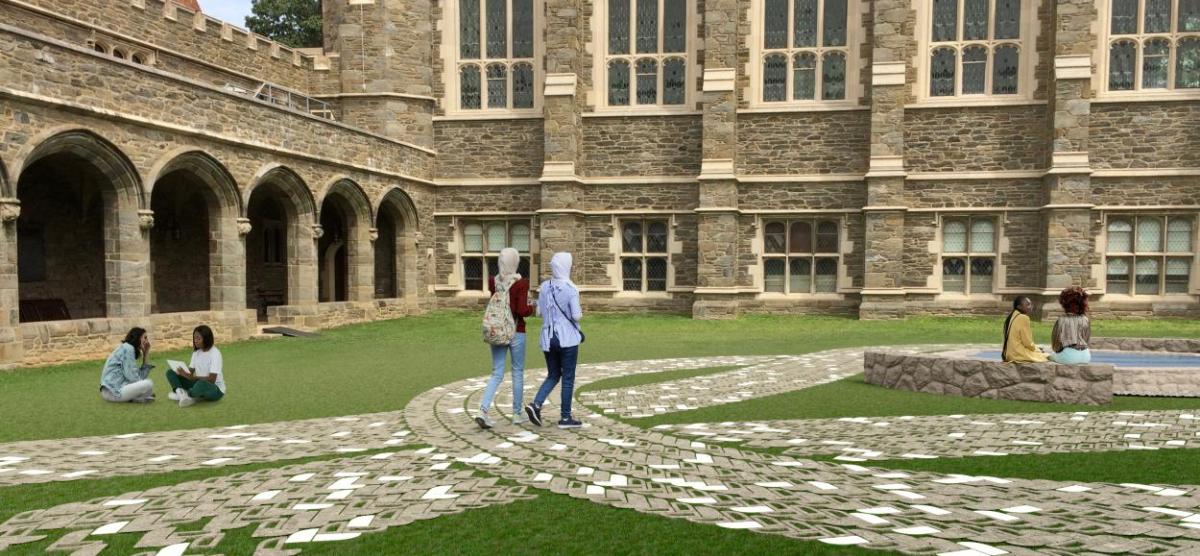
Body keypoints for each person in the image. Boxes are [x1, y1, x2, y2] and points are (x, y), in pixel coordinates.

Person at [475, 248, 534, 429]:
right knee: (517, 372)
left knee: (497, 373)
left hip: (497, 330)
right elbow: (520, 310)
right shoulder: (521, 283)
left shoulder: (493, 281)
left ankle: (483, 410)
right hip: (517, 331)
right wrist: (532, 308)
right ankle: (516, 413)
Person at [525, 252, 584, 429]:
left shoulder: (544, 287)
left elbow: (540, 313)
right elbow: (576, 315)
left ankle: (536, 404)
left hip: (548, 338)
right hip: (566, 338)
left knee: (553, 374)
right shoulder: (570, 288)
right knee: (567, 378)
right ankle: (565, 418)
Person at [166, 325, 226, 407]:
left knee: (201, 384)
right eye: (194, 338)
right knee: (171, 372)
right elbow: (190, 371)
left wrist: (191, 377)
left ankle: (190, 395)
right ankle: (181, 393)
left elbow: (212, 380)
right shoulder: (196, 353)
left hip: (215, 389)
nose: (195, 341)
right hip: (197, 383)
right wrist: (181, 372)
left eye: (198, 338)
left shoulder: (215, 354)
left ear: (206, 339)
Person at [100, 327, 156, 403]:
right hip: (113, 392)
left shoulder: (127, 348)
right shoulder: (128, 348)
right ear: (137, 337)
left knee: (147, 387)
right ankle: (139, 397)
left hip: (113, 391)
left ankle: (138, 397)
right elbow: (133, 378)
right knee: (148, 383)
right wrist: (143, 388)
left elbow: (137, 377)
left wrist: (145, 354)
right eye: (145, 338)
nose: (147, 341)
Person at [1049, 286, 1092, 365]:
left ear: (1064, 303)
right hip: (1086, 356)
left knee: (1050, 356)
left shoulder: (1061, 320)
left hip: (1069, 356)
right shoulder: (1085, 319)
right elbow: (1087, 340)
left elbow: (1056, 344)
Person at [1002, 296, 1048, 363]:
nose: (1030, 307)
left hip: (1008, 354)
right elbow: (1027, 343)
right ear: (1019, 307)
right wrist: (1037, 349)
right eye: (1028, 305)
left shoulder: (1011, 317)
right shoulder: (1023, 318)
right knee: (1047, 356)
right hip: (1018, 355)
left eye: (1030, 304)